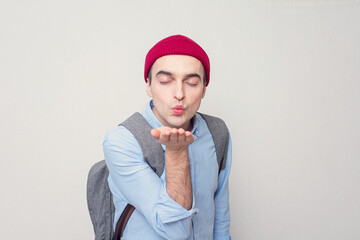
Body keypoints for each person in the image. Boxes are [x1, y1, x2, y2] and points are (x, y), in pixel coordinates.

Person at [103, 35, 232, 239]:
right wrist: (177, 152)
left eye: (191, 82)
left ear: (204, 89)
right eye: (165, 81)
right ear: (148, 85)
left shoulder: (217, 131)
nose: (179, 93)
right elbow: (175, 233)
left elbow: (220, 215)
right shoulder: (122, 141)